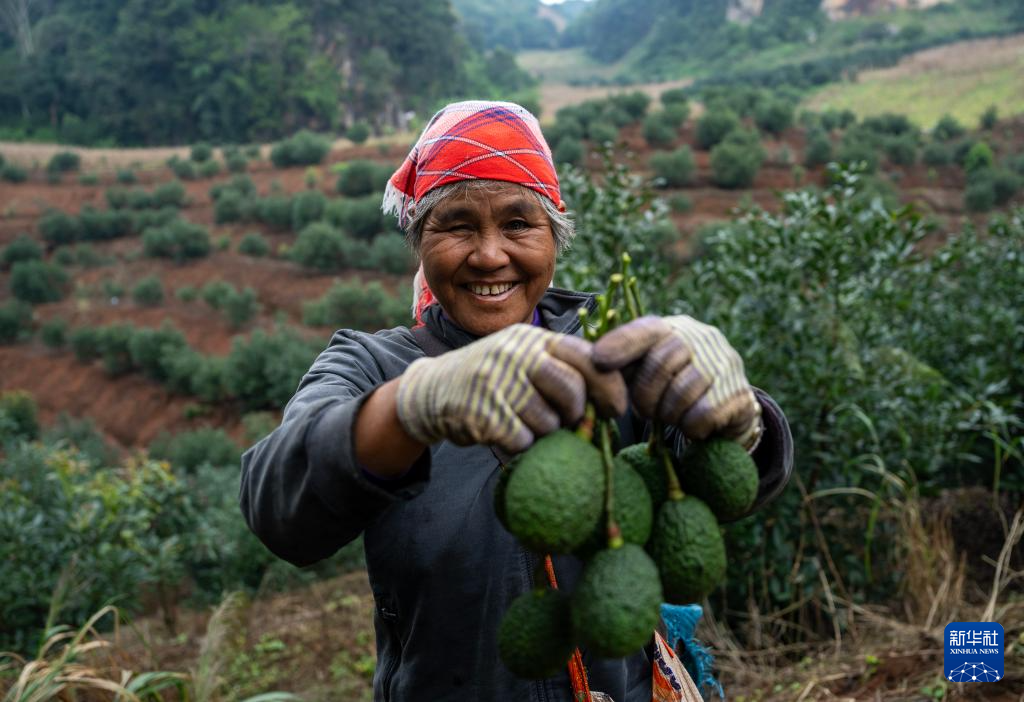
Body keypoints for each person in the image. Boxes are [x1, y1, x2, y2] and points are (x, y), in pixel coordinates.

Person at [239, 100, 793, 702]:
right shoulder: (372, 367)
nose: (490, 255)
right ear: (419, 241)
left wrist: (742, 418)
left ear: (554, 235)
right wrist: (410, 408)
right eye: (456, 225)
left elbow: (736, 483)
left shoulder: (611, 349)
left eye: (518, 224)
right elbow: (277, 506)